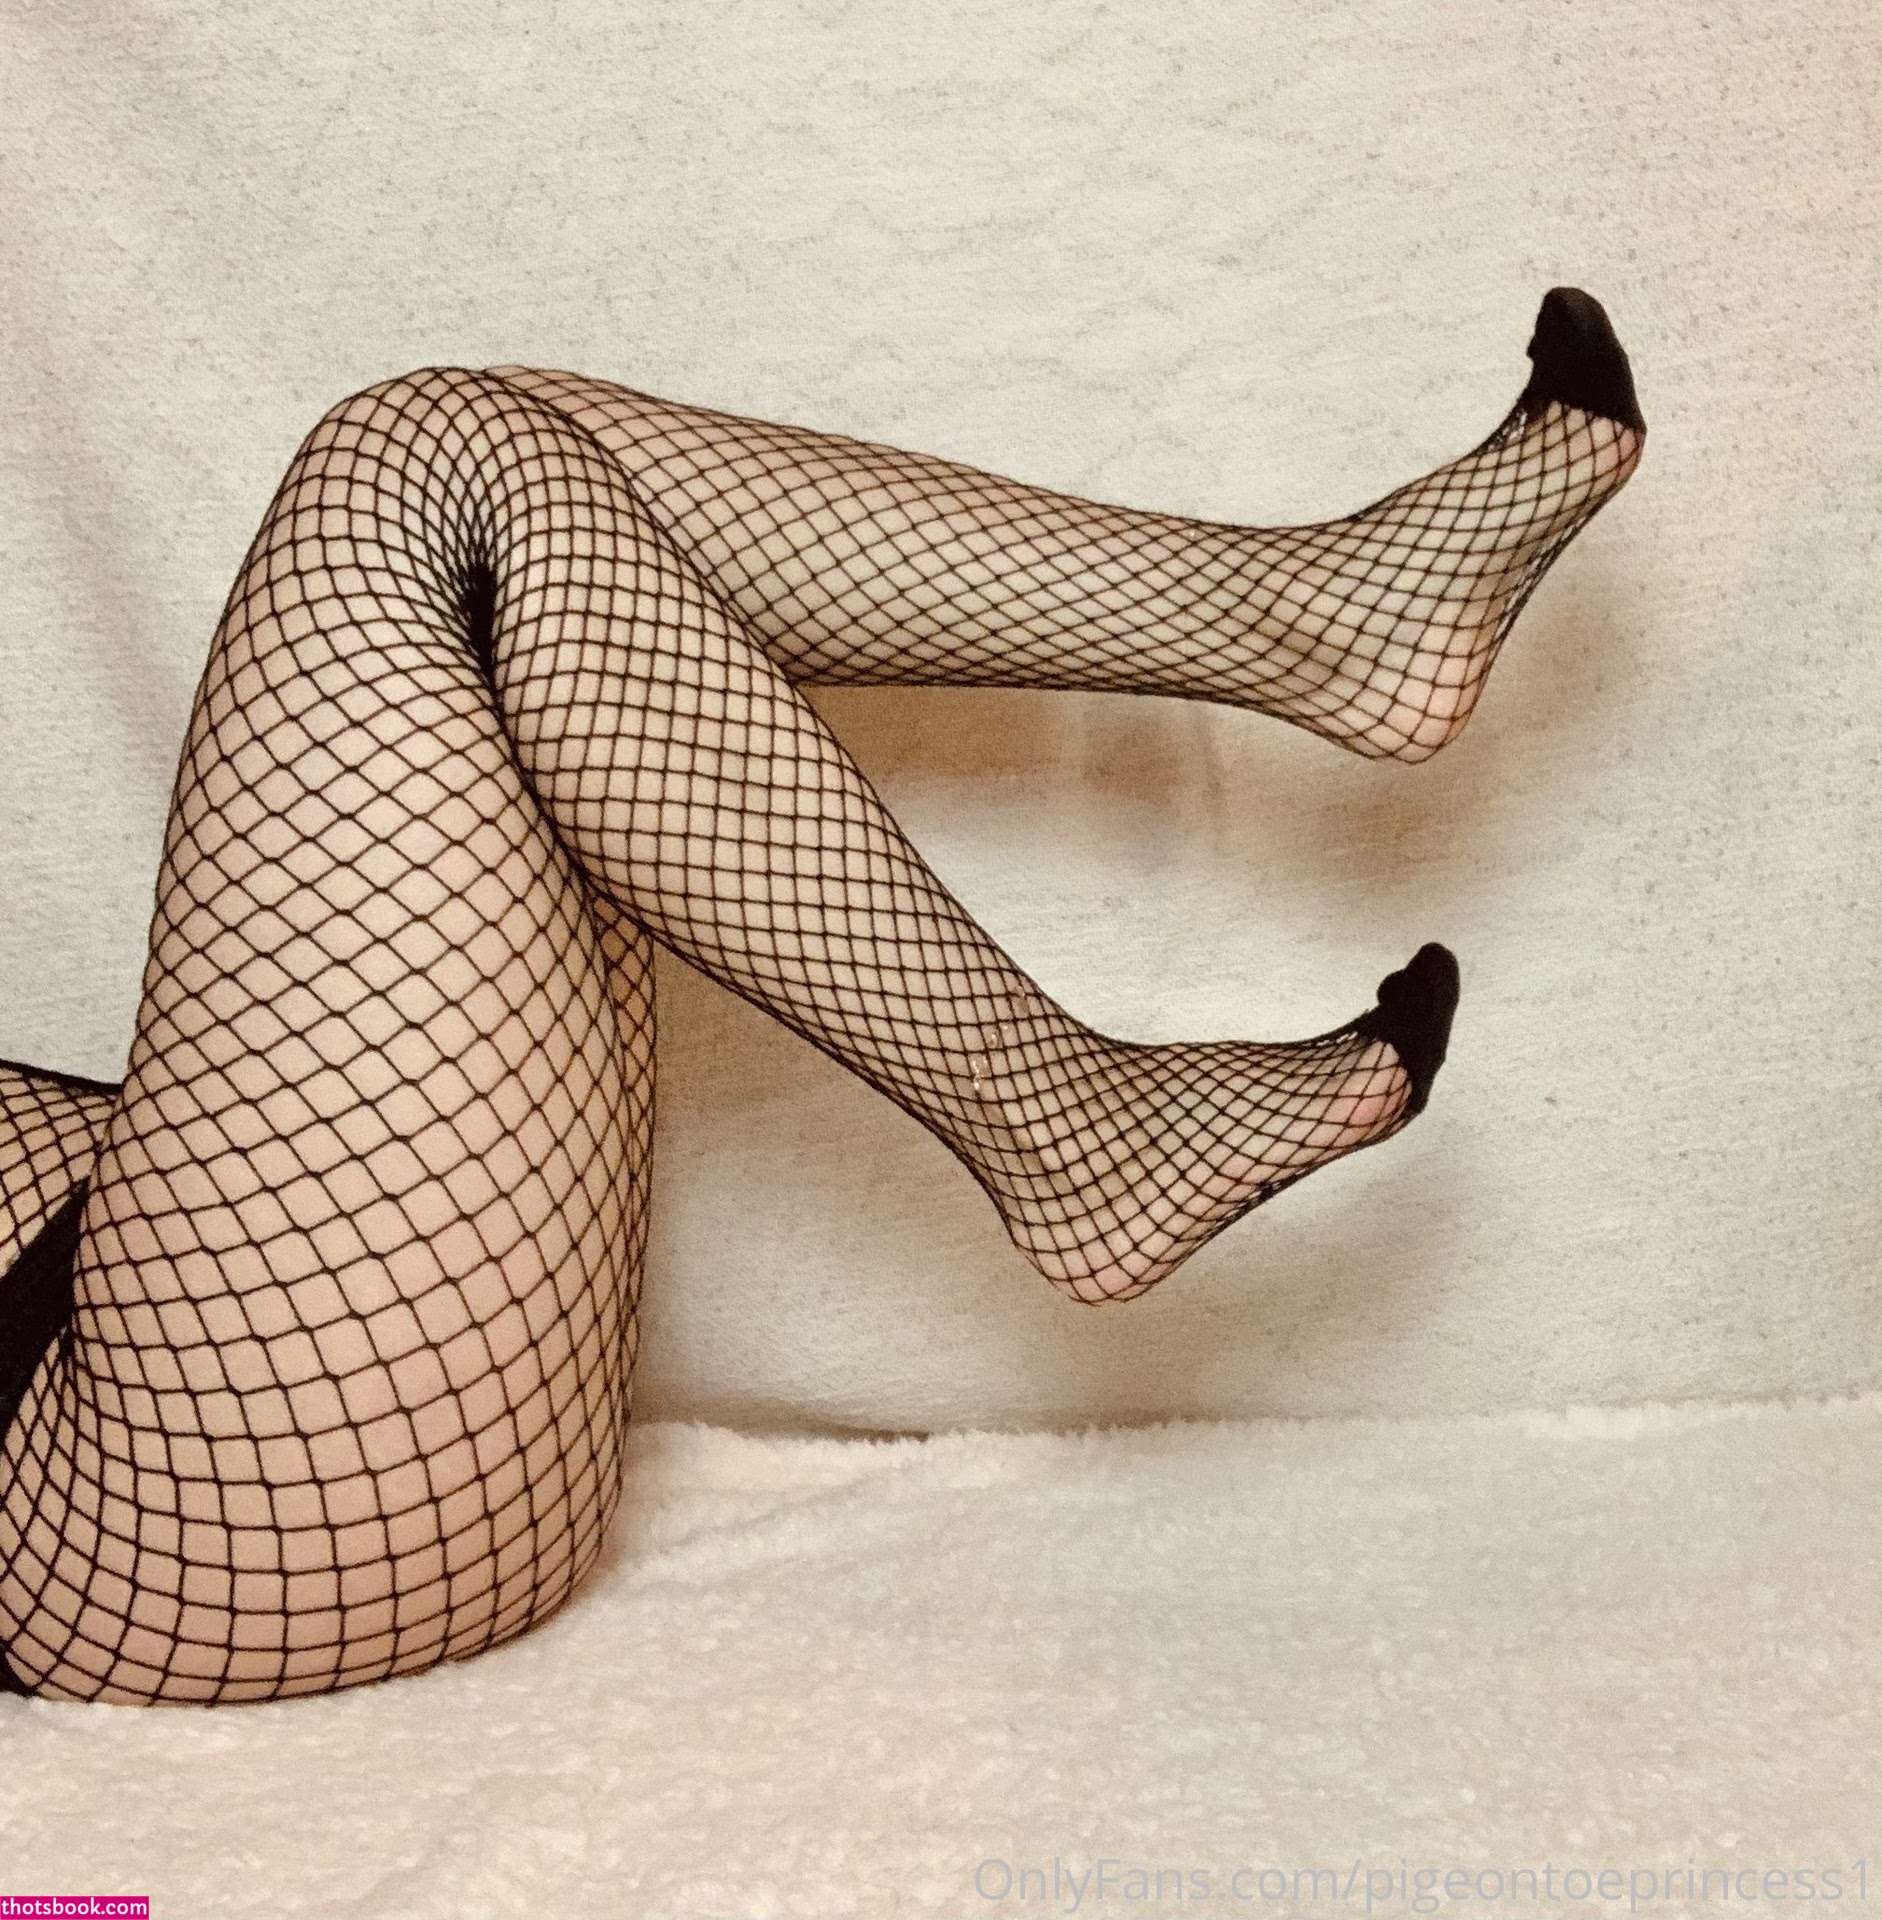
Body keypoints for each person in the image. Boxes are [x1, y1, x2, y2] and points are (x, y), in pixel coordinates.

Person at [0, 288, 1644, 1703]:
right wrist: (75, 1908)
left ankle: (1308, 621)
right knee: (424, 463)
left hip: (300, 1371)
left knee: (514, 448)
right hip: (170, 1521)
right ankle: (1078, 1121)